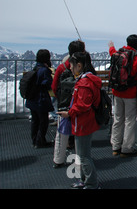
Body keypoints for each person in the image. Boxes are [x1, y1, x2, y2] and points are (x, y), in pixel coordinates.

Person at [58, 51, 101, 189]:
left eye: (72, 65)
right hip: (86, 122)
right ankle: (85, 180)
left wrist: (69, 113)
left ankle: (91, 183)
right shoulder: (89, 80)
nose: (70, 67)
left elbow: (82, 105)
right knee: (82, 154)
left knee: (83, 156)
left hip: (82, 123)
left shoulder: (84, 83)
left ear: (79, 65)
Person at [109, 35, 137, 157]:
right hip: (130, 93)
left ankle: (116, 146)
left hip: (116, 92)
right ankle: (126, 148)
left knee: (118, 118)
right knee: (129, 120)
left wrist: (111, 46)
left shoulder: (117, 53)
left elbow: (112, 52)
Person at [51, 40, 85, 168]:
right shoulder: (84, 68)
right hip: (79, 105)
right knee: (79, 133)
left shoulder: (62, 67)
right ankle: (80, 160)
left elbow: (54, 86)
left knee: (61, 133)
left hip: (64, 104)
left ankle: (58, 159)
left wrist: (60, 99)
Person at [25, 49, 54, 148]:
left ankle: (34, 140)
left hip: (32, 100)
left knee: (35, 121)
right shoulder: (44, 70)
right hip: (41, 101)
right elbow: (48, 84)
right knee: (43, 122)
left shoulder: (35, 68)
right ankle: (40, 141)